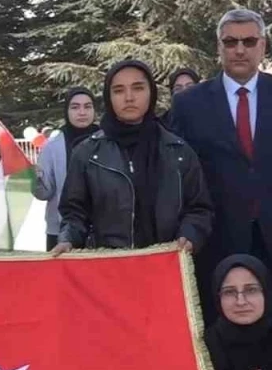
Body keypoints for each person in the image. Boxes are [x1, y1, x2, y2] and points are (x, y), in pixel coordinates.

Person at [167, 9, 272, 316]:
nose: (239, 50)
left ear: (263, 46)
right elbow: (180, 176)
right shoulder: (189, 103)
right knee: (220, 324)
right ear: (219, 47)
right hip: (216, 237)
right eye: (230, 42)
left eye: (249, 41)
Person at [51, 61, 213, 254]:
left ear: (151, 92)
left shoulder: (178, 151)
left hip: (166, 262)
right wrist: (68, 239)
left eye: (138, 88)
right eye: (119, 90)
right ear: (109, 97)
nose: (129, 98)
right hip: (108, 264)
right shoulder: (87, 153)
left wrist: (189, 235)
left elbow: (199, 208)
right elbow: (74, 212)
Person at [33, 87, 99, 251]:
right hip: (61, 232)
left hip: (103, 230)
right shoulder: (53, 146)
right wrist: (34, 179)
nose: (82, 112)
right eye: (75, 107)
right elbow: (44, 193)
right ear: (67, 111)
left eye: (88, 106)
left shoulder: (107, 141)